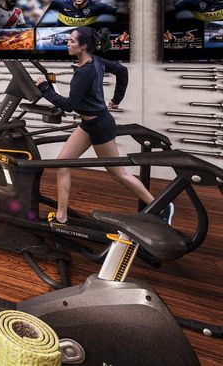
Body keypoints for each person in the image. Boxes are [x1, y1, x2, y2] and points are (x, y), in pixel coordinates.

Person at [33, 27, 172, 225]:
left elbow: (70, 105)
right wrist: (116, 100)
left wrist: (45, 89)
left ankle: (161, 207)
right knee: (61, 163)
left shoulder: (85, 71)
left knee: (119, 174)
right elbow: (121, 71)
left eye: (72, 41)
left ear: (83, 46)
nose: (67, 43)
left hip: (99, 126)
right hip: (89, 124)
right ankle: (61, 216)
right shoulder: (94, 61)